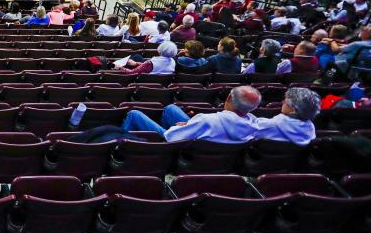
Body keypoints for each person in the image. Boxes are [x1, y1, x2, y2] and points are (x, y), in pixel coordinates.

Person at [121, 86, 262, 143]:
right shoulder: (256, 125)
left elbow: (171, 136)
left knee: (134, 113)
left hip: (177, 142)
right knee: (171, 108)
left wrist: (181, 127)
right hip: (206, 138)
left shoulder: (206, 120)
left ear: (228, 99)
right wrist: (190, 124)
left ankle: (120, 145)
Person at [255, 88, 320, 145]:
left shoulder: (268, 124)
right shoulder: (311, 128)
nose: (282, 102)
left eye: (285, 101)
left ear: (293, 110)